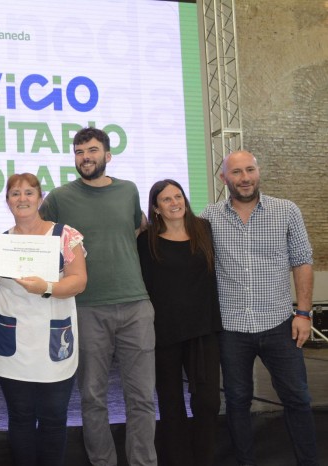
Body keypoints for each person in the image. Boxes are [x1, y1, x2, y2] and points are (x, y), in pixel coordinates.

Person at [40, 126, 156, 466]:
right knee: (92, 397)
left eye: (91, 150)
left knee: (142, 398)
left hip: (136, 305)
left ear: (107, 155)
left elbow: (139, 227)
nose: (85, 157)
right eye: (79, 152)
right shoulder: (60, 197)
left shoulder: (129, 191)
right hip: (86, 308)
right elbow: (37, 236)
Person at [201, 150, 318, 466]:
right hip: (231, 327)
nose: (244, 178)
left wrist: (304, 313)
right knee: (238, 401)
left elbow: (302, 261)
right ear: (224, 178)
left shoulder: (286, 211)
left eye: (249, 170)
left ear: (258, 171)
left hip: (280, 323)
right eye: (236, 172)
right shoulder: (208, 217)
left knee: (297, 398)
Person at [0, 173, 87, 466]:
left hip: (53, 343)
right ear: (7, 201)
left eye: (29, 192)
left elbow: (79, 281)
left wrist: (46, 287)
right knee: (19, 417)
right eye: (15, 194)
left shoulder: (65, 236)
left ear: (40, 198)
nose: (22, 199)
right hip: (12, 345)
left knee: (54, 418)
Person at [137, 179, 222, 466]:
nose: (175, 203)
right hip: (164, 333)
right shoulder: (145, 242)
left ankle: (204, 459)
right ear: (156, 208)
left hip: (203, 330)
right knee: (171, 406)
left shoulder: (205, 230)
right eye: (166, 199)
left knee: (208, 402)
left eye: (178, 196)